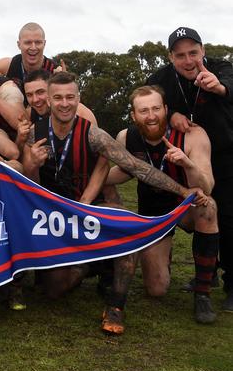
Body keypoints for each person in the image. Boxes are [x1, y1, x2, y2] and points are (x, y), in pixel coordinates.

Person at [21, 72, 208, 334]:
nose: (65, 103)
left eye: (70, 97)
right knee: (54, 290)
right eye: (58, 98)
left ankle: (116, 304)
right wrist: (32, 164)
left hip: (89, 210)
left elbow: (136, 166)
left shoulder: (93, 135)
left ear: (79, 98)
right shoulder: (33, 135)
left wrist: (182, 189)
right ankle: (92, 264)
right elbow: (26, 184)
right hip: (53, 218)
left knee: (124, 223)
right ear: (49, 101)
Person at [106, 85, 218, 323]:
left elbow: (207, 186)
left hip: (186, 206)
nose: (151, 115)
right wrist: (87, 182)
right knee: (156, 289)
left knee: (208, 207)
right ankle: (162, 257)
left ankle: (203, 292)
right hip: (154, 214)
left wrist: (187, 164)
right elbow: (124, 171)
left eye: (156, 108)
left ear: (166, 109)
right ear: (134, 115)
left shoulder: (192, 134)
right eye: (143, 110)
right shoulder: (126, 137)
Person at [146, 27, 233, 311]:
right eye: (180, 55)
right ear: (171, 56)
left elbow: (229, 84)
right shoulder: (162, 77)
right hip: (186, 156)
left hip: (225, 153)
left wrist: (220, 87)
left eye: (193, 53)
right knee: (202, 209)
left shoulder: (220, 67)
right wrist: (171, 114)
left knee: (229, 215)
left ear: (203, 51)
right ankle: (206, 276)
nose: (188, 60)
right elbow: (146, 98)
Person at [0, 22, 60, 103]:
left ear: (44, 44)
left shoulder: (55, 71)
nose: (33, 47)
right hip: (14, 112)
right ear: (19, 45)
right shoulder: (6, 65)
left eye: (38, 42)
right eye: (28, 43)